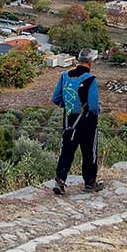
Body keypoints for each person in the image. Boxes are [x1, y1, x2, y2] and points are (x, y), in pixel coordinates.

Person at [51, 58, 101, 195]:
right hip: (87, 122)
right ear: (90, 63)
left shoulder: (64, 76)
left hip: (69, 121)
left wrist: (68, 107)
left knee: (66, 151)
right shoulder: (91, 80)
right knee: (89, 152)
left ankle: (60, 180)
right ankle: (90, 183)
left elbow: (56, 98)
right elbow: (93, 106)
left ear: (78, 61)